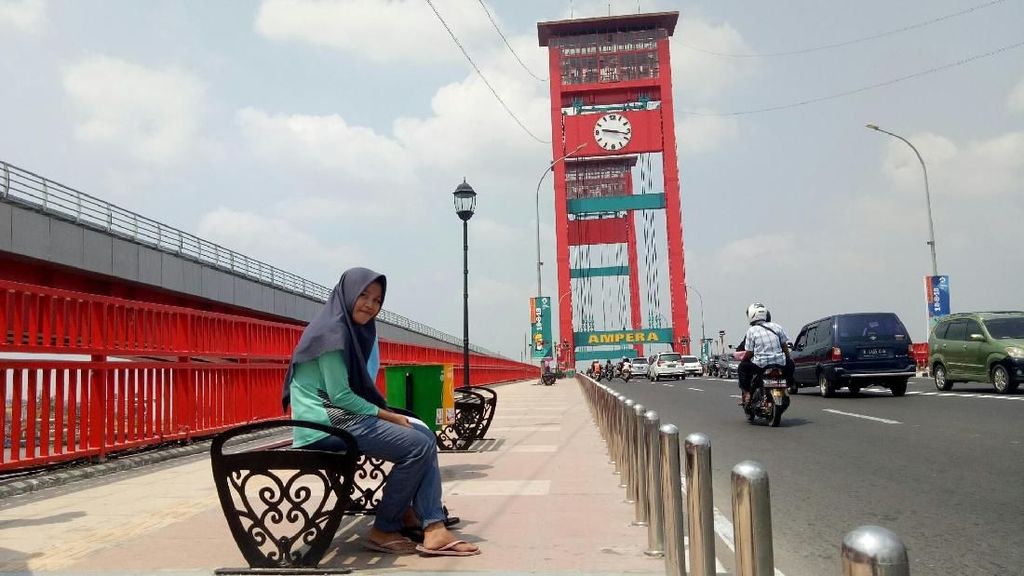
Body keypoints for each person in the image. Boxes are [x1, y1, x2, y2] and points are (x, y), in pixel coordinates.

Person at [282, 267, 480, 557]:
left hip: (339, 419)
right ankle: (386, 528)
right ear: (347, 294)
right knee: (417, 445)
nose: (369, 305)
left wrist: (390, 415)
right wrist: (388, 416)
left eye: (377, 300)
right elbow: (340, 396)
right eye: (363, 295)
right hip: (323, 424)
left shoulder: (346, 328)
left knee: (424, 433)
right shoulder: (331, 333)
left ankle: (427, 521)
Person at [735, 303, 794, 405]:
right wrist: (787, 358)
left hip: (761, 365)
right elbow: (784, 346)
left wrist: (744, 359)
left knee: (742, 367)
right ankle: (787, 385)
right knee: (791, 364)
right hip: (779, 363)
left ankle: (747, 394)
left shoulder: (751, 331)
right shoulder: (777, 326)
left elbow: (749, 352)